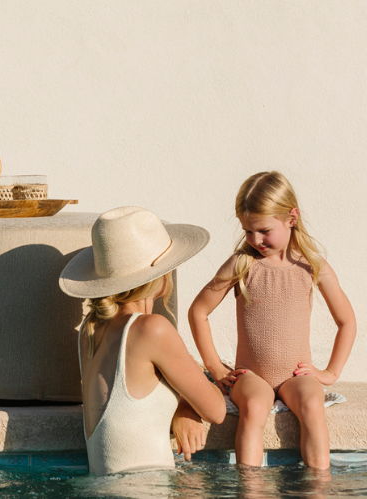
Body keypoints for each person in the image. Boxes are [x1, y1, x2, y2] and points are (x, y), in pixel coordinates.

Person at [189, 171, 356, 469]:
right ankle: (250, 487)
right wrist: (215, 367)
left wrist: (330, 372)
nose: (255, 240)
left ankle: (318, 485)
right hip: (252, 375)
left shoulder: (312, 265)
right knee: (254, 406)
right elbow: (198, 311)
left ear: (291, 218)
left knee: (312, 404)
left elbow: (346, 321)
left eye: (264, 230)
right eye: (248, 231)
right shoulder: (243, 263)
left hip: (295, 375)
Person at [60, 206, 226, 475]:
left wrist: (183, 403)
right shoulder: (152, 329)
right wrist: (187, 404)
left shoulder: (90, 329)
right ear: (160, 275)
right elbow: (216, 410)